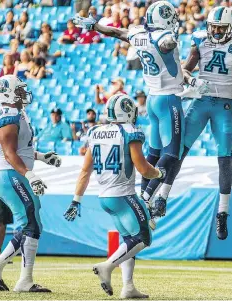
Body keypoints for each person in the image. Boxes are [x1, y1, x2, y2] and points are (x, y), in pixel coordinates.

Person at [143, 6, 232, 238]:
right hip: (200, 102)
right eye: (213, 27)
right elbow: (184, 71)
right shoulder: (200, 40)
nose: (216, 32)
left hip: (224, 106)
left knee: (225, 158)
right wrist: (193, 81)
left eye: (221, 28)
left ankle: (222, 213)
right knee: (178, 151)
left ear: (231, 28)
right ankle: (162, 197)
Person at [73, 1, 186, 224]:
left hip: (153, 99)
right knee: (172, 154)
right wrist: (173, 37)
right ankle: (145, 199)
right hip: (168, 99)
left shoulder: (137, 34)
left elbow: (116, 32)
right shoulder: (163, 37)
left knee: (154, 152)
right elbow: (165, 44)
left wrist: (95, 26)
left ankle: (146, 200)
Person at [63, 94, 164, 298]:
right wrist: (159, 173)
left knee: (128, 240)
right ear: (126, 111)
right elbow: (143, 168)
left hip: (105, 198)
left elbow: (85, 171)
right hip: (124, 195)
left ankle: (128, 286)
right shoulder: (129, 132)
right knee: (143, 237)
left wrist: (76, 200)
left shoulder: (96, 132)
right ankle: (107, 266)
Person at [0, 75, 61, 292]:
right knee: (30, 225)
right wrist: (30, 174)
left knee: (32, 225)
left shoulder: (17, 113)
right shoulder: (9, 113)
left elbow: (20, 149)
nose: (24, 93)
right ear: (8, 93)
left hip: (12, 174)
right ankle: (23, 280)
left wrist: (42, 157)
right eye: (19, 90)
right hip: (10, 174)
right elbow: (8, 153)